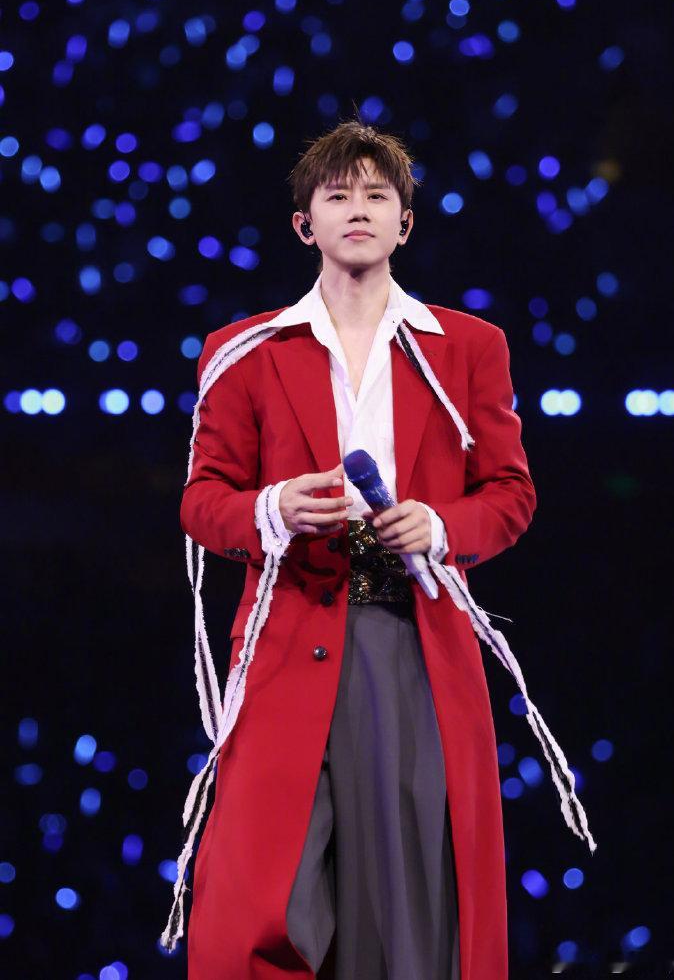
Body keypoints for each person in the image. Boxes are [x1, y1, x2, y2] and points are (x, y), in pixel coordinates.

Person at [161, 119, 596, 979]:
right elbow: (202, 501)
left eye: (376, 195)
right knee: (263, 895)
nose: (357, 210)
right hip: (287, 640)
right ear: (304, 225)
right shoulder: (244, 352)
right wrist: (274, 507)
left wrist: (441, 526)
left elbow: (511, 494)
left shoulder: (468, 347)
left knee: (408, 905)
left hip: (412, 642)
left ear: (405, 223)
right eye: (337, 196)